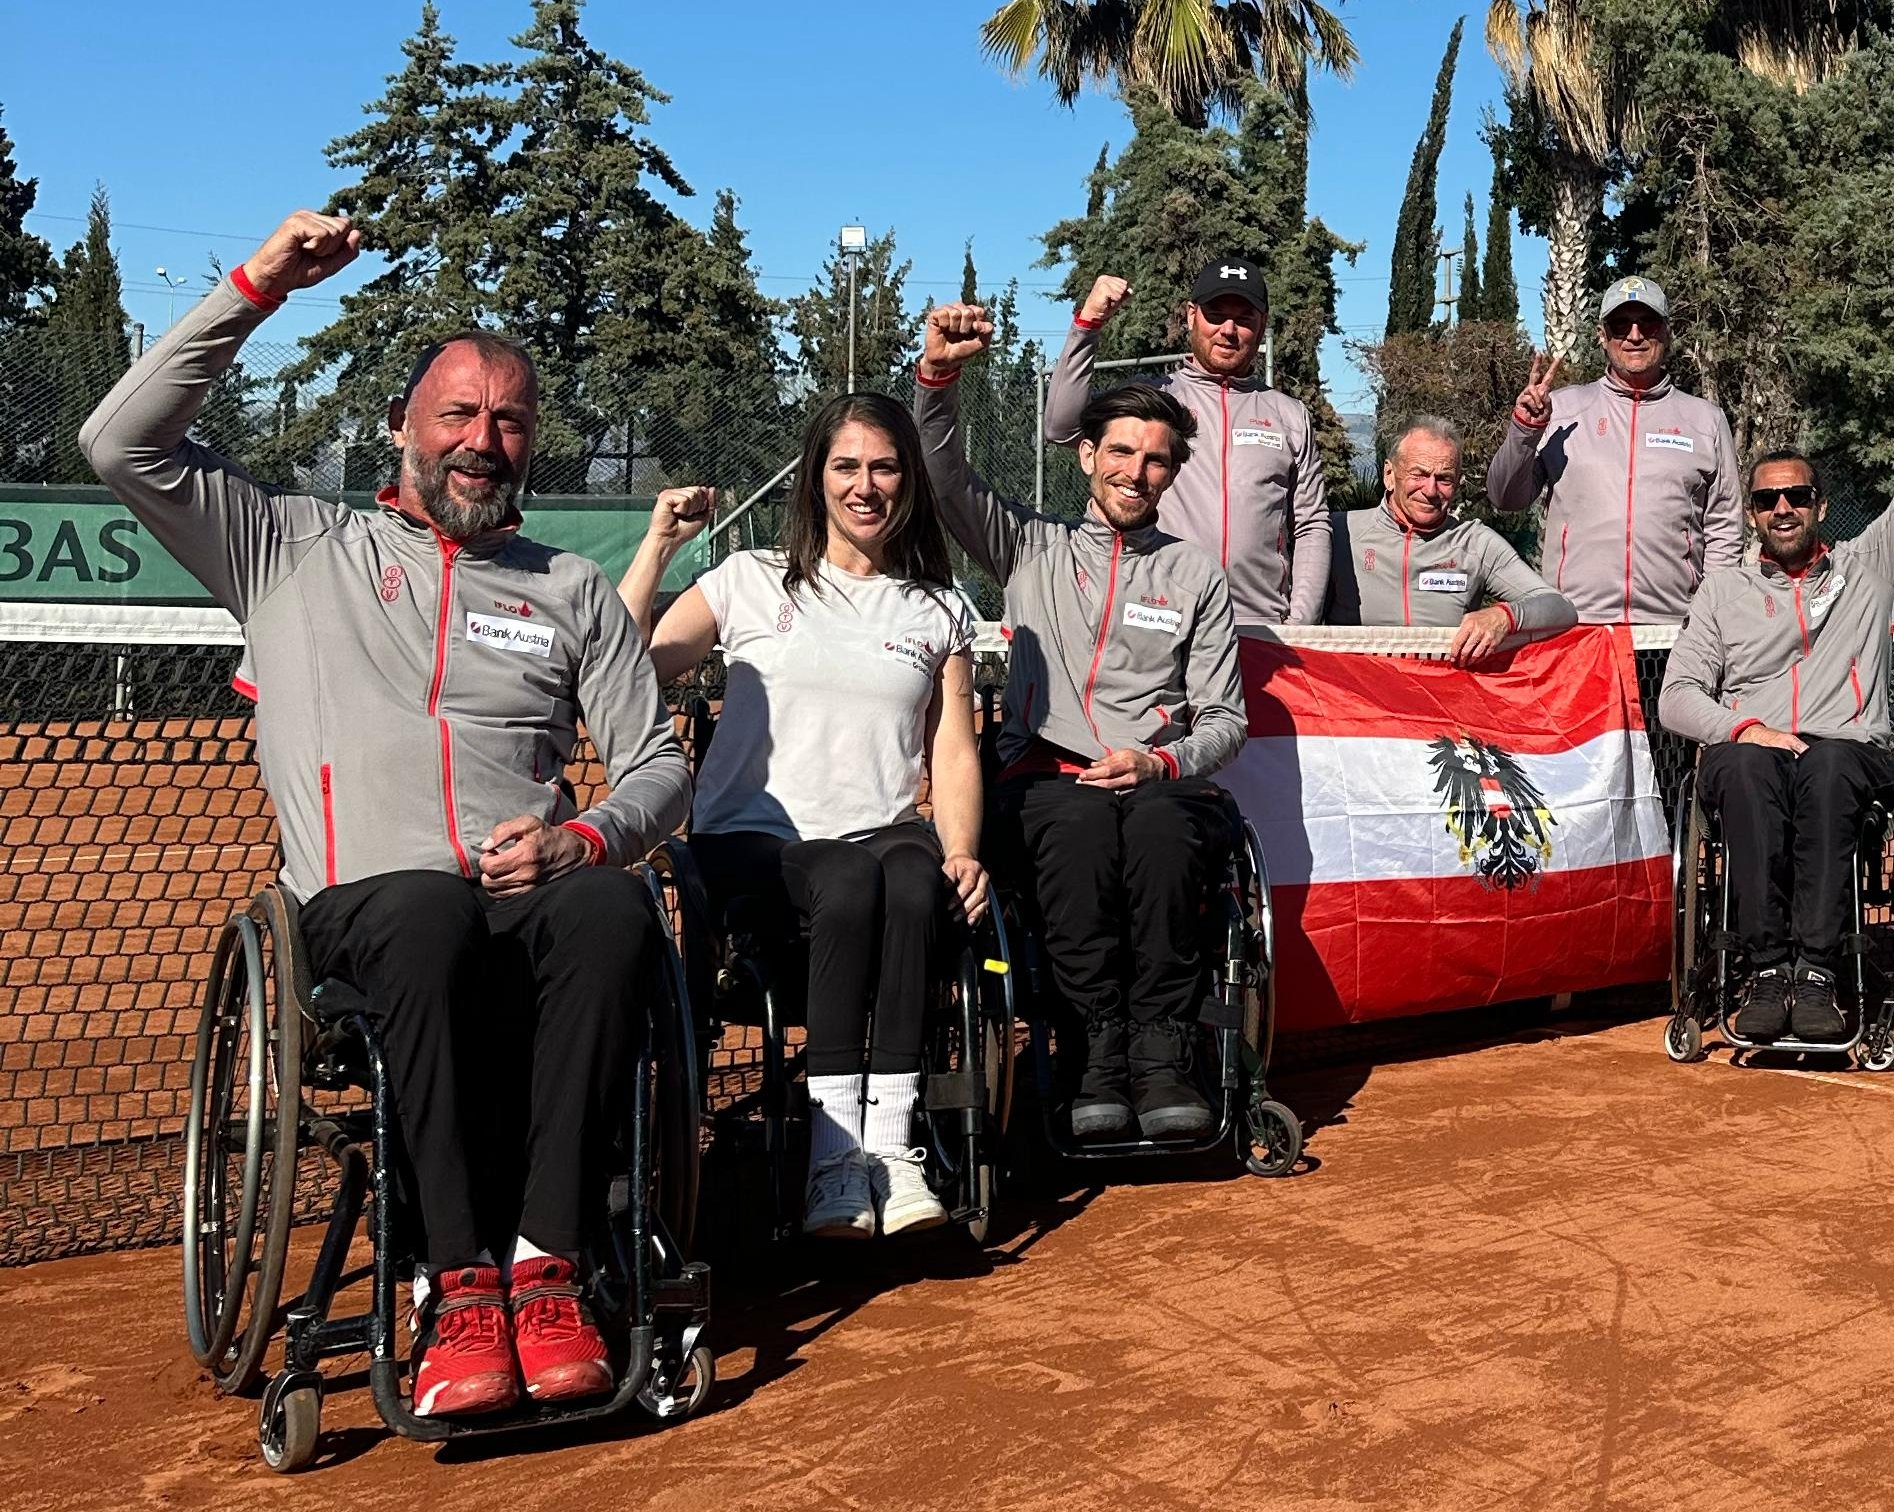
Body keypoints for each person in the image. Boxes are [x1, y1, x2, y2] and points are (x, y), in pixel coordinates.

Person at [81, 211, 689, 1418]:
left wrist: (580, 839)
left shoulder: (573, 590)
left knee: (615, 913)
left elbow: (658, 768)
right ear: (403, 428)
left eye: (508, 421)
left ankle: (547, 1267)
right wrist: (258, 286)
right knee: (421, 912)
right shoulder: (289, 546)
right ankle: (452, 1285)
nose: (482, 440)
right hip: (367, 918)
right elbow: (118, 442)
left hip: (528, 904)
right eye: (457, 414)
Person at [618, 394, 987, 1242]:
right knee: (852, 875)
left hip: (881, 842)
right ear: (815, 477)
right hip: (752, 851)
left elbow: (954, 749)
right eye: (846, 466)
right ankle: (834, 1156)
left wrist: (963, 849)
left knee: (914, 874)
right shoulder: (746, 580)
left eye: (885, 467)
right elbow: (628, 663)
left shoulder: (937, 608)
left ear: (909, 480)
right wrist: (658, 545)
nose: (866, 486)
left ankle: (890, 1150)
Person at [913, 301, 1248, 1142]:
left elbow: (1224, 718)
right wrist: (938, 377)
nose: (1138, 472)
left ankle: (1162, 1055)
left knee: (1164, 833)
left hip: (1159, 783)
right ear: (1088, 455)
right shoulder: (1028, 545)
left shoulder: (1195, 576)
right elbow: (942, 474)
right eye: (1122, 452)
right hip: (1046, 780)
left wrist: (1160, 762)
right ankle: (1093, 1051)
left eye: (1157, 460)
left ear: (1173, 474)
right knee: (1078, 829)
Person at [1660, 286, 1894, 1042]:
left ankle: (1819, 972)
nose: (1783, 508)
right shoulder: (1723, 591)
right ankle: (1767, 968)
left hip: (1850, 753)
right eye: (1768, 499)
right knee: (1745, 769)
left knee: (1830, 767)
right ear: (1751, 513)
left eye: (1797, 496)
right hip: (1754, 750)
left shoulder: (1871, 564)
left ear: (1820, 505)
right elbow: (1676, 696)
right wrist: (1746, 728)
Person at [1045, 261, 1329, 627]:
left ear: (1262, 324)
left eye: (1244, 318)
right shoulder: (1155, 399)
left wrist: (1300, 625)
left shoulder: (1289, 414)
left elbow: (1311, 523)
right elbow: (1062, 427)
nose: (1228, 330)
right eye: (1216, 315)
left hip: (1262, 628)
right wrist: (1088, 325)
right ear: (1192, 316)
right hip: (1162, 619)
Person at [1487, 275, 1743, 626]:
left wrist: (1709, 613)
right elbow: (1504, 497)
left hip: (1673, 631)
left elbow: (1724, 527)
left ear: (1666, 332)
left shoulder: (1705, 420)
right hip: (1578, 626)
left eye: (1647, 323)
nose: (1634, 335)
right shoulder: (1562, 409)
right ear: (1602, 335)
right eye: (1620, 325)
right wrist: (1524, 431)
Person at [1326, 416, 1577, 660]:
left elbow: (1560, 607)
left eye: (1444, 478)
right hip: (1354, 686)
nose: (1430, 490)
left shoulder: (1474, 543)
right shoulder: (1339, 532)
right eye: (1419, 474)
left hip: (1441, 687)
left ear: (1457, 482)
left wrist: (1504, 617)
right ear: (1389, 475)